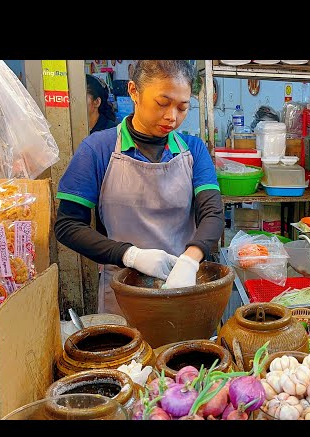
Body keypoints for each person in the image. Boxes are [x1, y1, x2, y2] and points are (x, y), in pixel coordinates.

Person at [55, 60, 224, 315]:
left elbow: (212, 213)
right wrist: (130, 255)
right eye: (162, 103)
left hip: (185, 286)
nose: (172, 117)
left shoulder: (194, 150)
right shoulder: (97, 149)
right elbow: (67, 226)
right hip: (123, 291)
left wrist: (190, 260)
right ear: (134, 91)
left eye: (182, 107)